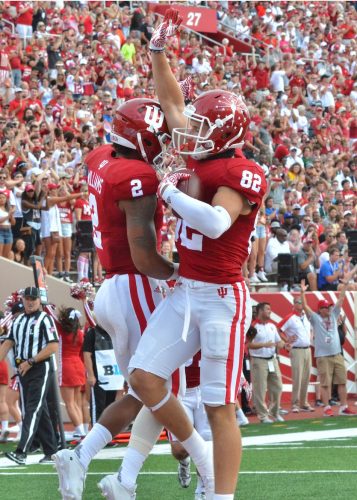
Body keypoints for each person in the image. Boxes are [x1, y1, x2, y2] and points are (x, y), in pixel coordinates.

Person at [128, 9, 267, 499]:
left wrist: (167, 192)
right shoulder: (204, 155)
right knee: (143, 377)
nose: (194, 129)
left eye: (207, 124)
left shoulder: (241, 172)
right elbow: (172, 103)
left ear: (227, 133)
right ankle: (203, 464)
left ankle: (222, 496)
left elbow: (214, 221)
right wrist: (159, 52)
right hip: (186, 290)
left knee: (218, 406)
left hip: (222, 300)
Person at [52, 98, 179, 499]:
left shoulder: (101, 156)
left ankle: (88, 460)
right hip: (136, 284)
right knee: (156, 385)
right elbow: (144, 255)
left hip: (112, 286)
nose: (162, 143)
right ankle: (180, 460)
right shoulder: (138, 177)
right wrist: (181, 274)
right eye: (157, 137)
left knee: (142, 390)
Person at [0, 287, 59, 465]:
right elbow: (8, 343)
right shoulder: (17, 321)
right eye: (27, 298)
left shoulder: (45, 319)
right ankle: (51, 451)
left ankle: (21, 452)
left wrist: (31, 361)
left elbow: (53, 346)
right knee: (40, 411)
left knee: (32, 410)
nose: (31, 301)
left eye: (34, 298)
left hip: (40, 367)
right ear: (23, 299)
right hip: (24, 369)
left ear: (39, 300)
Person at [300, 273, 357, 417]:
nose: (329, 309)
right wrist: (302, 292)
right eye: (326, 307)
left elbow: (341, 299)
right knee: (325, 383)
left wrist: (344, 286)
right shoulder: (315, 318)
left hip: (337, 354)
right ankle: (326, 408)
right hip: (323, 356)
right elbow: (305, 307)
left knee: (342, 381)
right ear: (320, 309)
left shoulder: (333, 315)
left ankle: (343, 406)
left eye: (329, 307)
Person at [247, 303, 285, 423]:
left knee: (277, 386)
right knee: (260, 389)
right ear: (260, 311)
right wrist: (264, 345)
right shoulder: (253, 326)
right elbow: (248, 344)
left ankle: (274, 412)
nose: (270, 311)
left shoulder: (272, 326)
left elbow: (278, 342)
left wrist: (285, 345)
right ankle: (263, 416)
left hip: (272, 360)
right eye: (267, 309)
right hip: (259, 360)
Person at [278, 296, 313, 413]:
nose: (302, 304)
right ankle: (295, 404)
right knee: (297, 378)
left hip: (307, 349)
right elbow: (278, 329)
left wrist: (311, 336)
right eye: (299, 302)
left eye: (303, 302)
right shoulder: (290, 317)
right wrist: (286, 340)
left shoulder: (306, 317)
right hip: (297, 349)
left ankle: (304, 403)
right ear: (294, 304)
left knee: (306, 378)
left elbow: (311, 328)